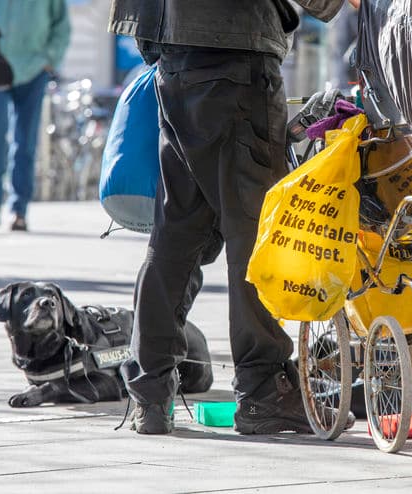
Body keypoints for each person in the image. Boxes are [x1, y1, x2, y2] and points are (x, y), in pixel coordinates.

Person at [109, 0, 360, 435]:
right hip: (235, 61)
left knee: (179, 228)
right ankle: (261, 388)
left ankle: (150, 391)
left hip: (177, 56)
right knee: (253, 231)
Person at [0, 0, 71, 231]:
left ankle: (19, 209)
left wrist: (50, 60)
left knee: (25, 141)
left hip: (33, 69)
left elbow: (61, 26)